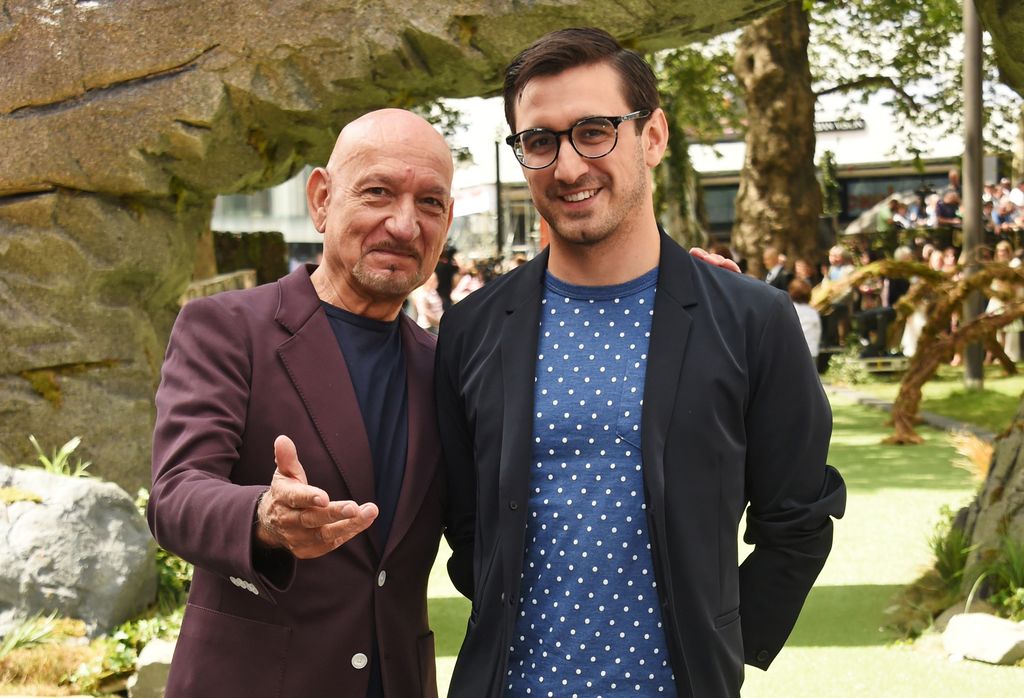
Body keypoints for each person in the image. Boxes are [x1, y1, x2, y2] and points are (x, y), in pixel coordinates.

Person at [435, 28, 845, 698]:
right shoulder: (471, 329)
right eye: (540, 141)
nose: (569, 167)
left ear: (651, 137)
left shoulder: (750, 322)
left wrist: (721, 644)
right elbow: (467, 525)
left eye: (594, 131)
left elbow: (799, 518)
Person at [148, 109, 454, 698]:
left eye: (430, 203)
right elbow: (175, 493)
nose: (404, 223)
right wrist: (263, 517)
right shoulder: (226, 328)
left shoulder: (444, 366)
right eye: (378, 193)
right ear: (321, 199)